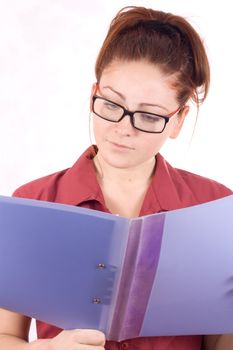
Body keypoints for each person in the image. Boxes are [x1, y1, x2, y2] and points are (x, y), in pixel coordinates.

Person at [0, 5, 232, 350]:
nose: (122, 129)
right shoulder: (33, 201)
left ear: (179, 119)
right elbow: (5, 335)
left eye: (149, 116)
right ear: (94, 93)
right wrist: (43, 349)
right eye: (111, 104)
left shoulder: (215, 207)